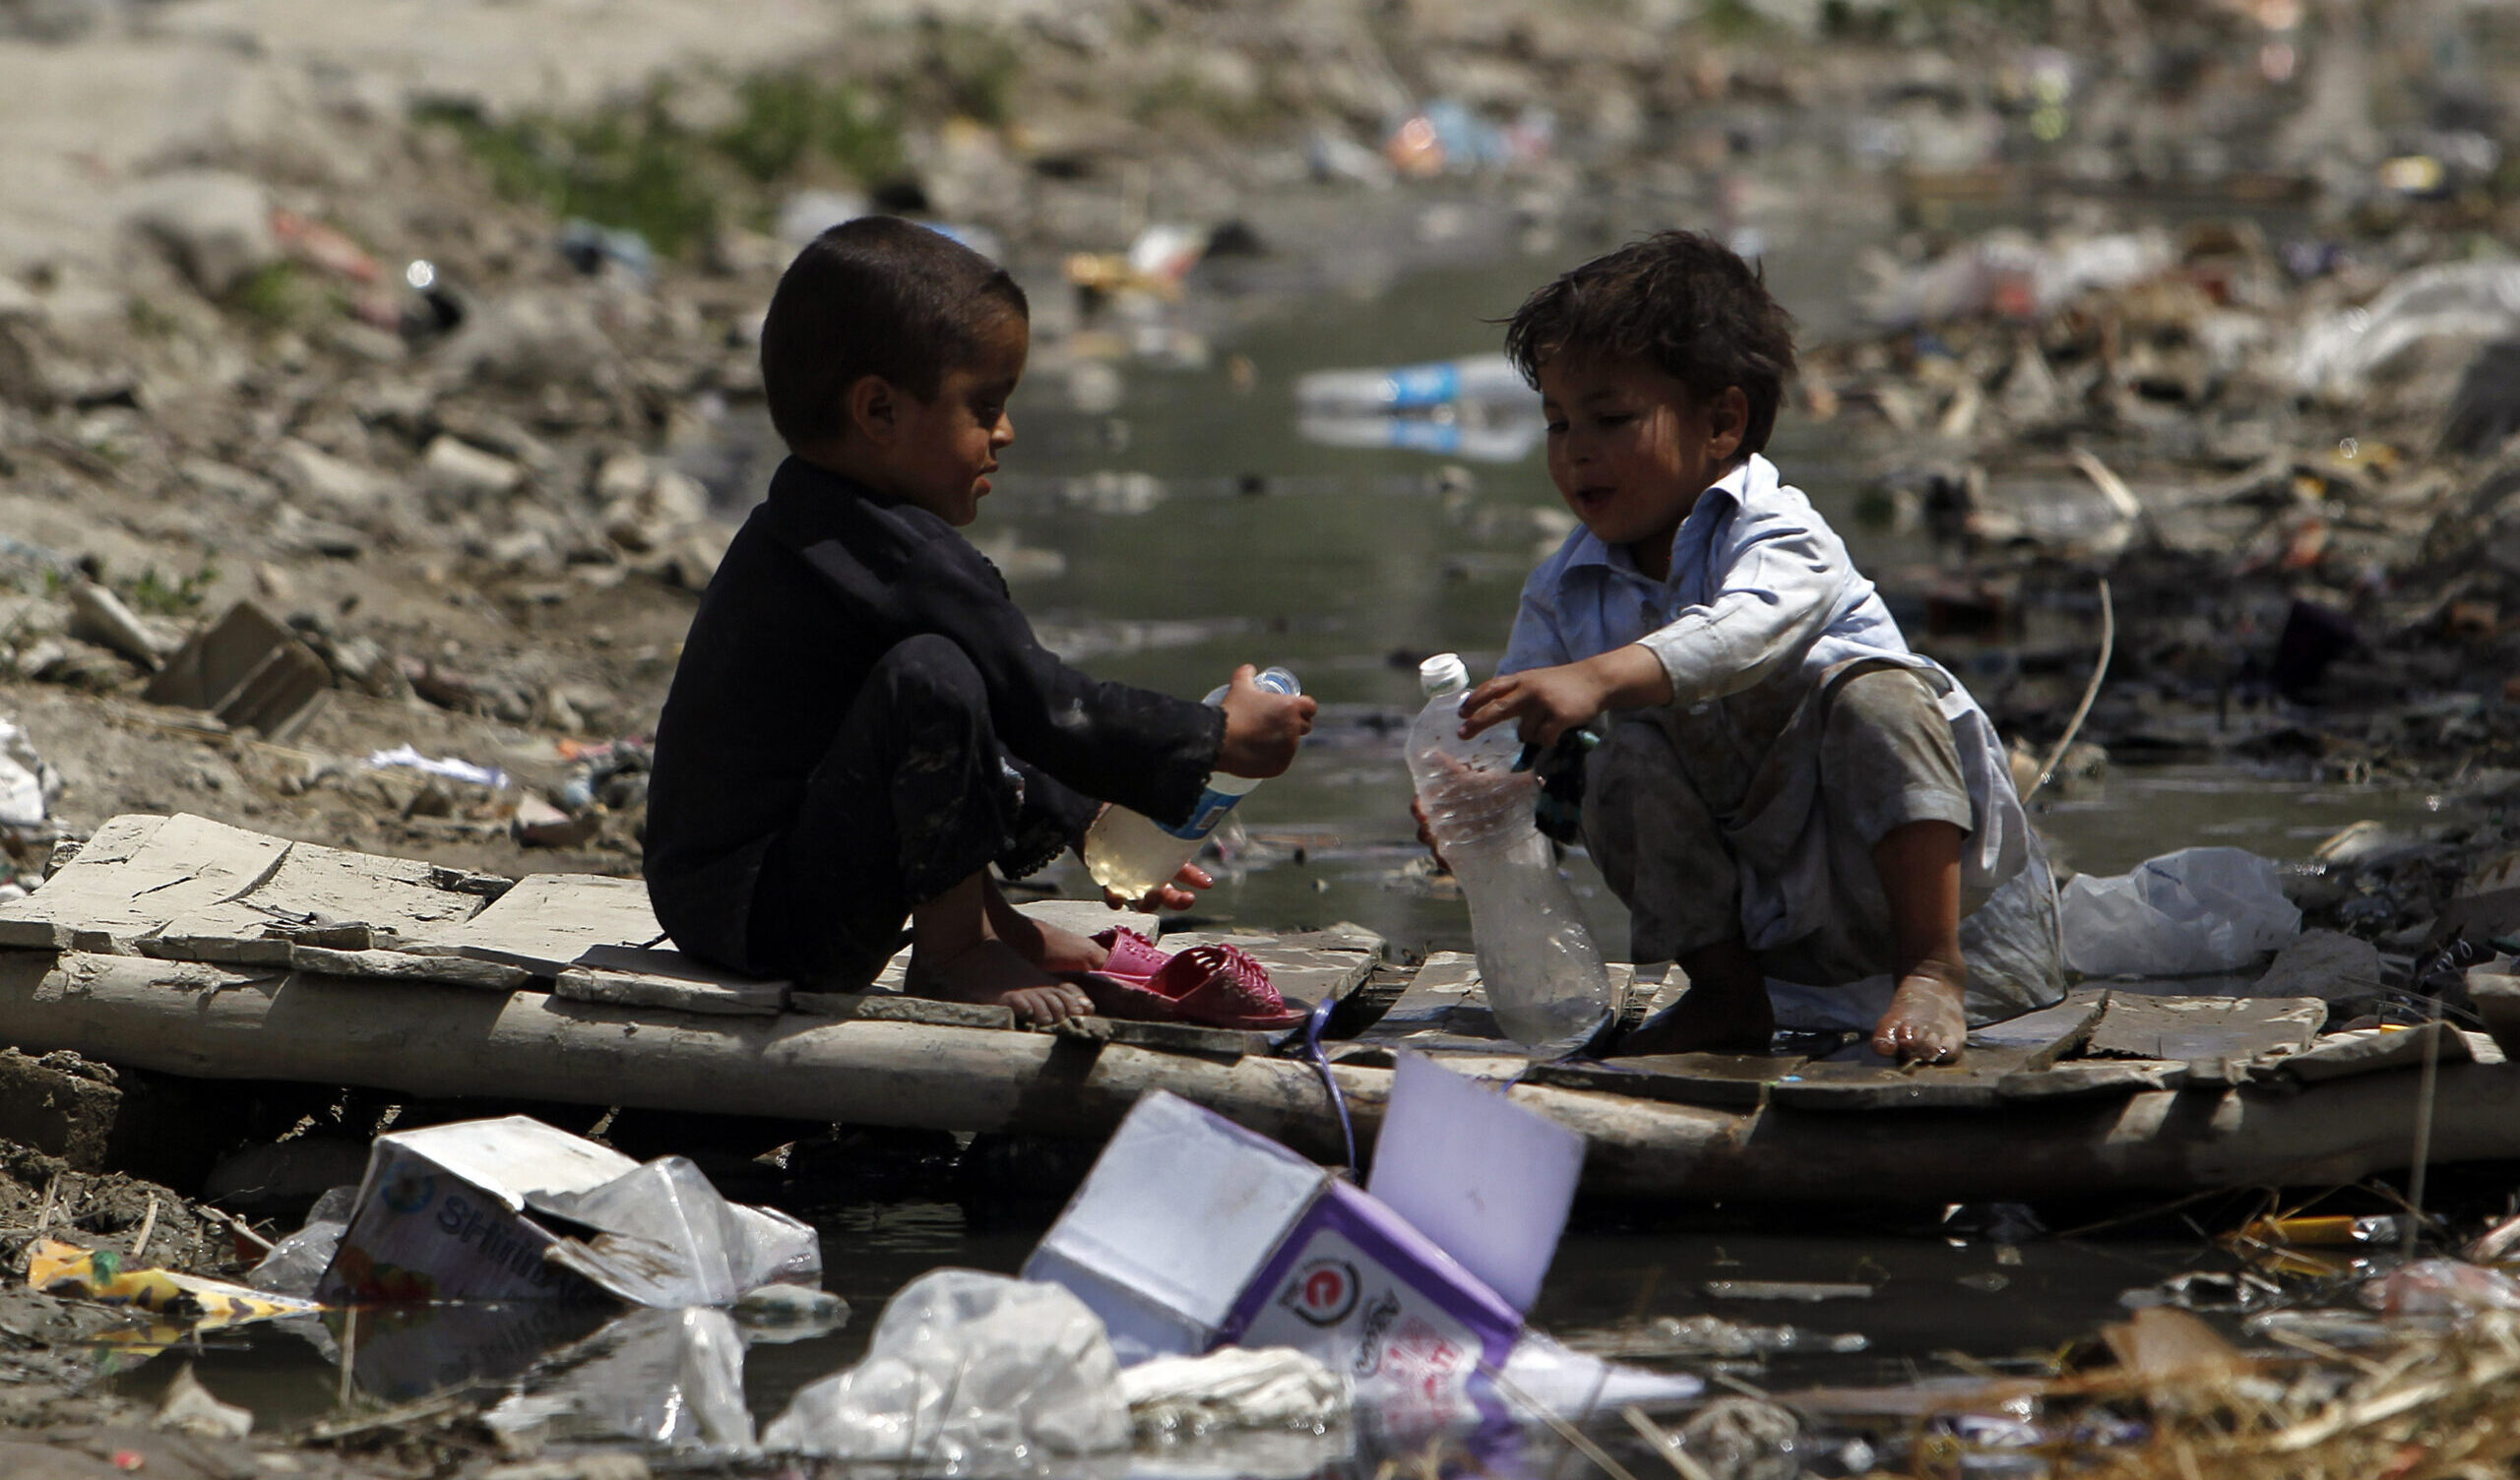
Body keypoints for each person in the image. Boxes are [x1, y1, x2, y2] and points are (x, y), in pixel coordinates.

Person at [643, 216, 1315, 1024]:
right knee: (935, 675)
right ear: (879, 411)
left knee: (939, 681)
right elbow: (1043, 702)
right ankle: (955, 952)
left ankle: (997, 927)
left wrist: (1081, 815)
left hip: (722, 898)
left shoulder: (820, 520)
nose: (1006, 433)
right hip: (765, 917)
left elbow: (973, 729)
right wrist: (1212, 740)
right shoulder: (891, 554)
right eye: (984, 406)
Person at [1444, 231, 2062, 1064]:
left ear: (1723, 422)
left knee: (1878, 693)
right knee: (1612, 759)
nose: (1576, 449)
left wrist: (1597, 679)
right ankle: (1726, 996)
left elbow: (1739, 637)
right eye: (1558, 423)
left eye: (1611, 418)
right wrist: (1475, 795)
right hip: (1767, 914)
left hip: (1882, 876)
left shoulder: (1781, 530)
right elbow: (1520, 730)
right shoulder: (1565, 589)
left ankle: (1930, 969)